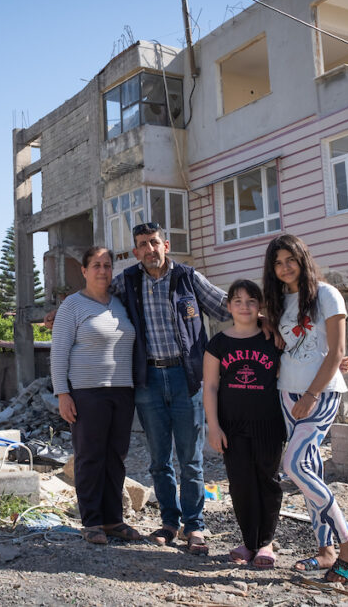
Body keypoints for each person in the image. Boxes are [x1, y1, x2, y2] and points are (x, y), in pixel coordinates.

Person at [114, 222, 230, 555]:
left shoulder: (188, 279)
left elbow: (227, 307)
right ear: (136, 252)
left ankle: (195, 527)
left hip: (187, 379)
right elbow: (95, 295)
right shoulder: (128, 282)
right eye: (142, 245)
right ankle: (169, 522)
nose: (149, 249)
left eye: (154, 242)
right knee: (158, 460)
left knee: (190, 460)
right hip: (148, 381)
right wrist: (60, 313)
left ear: (166, 245)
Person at [262, 233, 348, 584]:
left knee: (293, 465)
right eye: (277, 262)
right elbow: (289, 342)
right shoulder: (278, 301)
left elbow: (336, 352)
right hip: (286, 392)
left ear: (302, 258)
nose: (284, 267)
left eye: (290, 259)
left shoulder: (326, 294)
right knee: (310, 468)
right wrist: (267, 324)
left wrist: (310, 395)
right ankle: (325, 551)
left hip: (319, 394)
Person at [50, 246, 141, 545]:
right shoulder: (72, 306)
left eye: (106, 265)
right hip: (87, 393)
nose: (102, 270)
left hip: (122, 391)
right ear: (84, 271)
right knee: (90, 457)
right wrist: (63, 393)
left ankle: (113, 520)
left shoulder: (120, 304)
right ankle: (91, 522)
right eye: (96, 265)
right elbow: (59, 353)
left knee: (116, 457)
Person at [203, 279, 284, 569]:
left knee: (267, 481)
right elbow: (210, 386)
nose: (245, 306)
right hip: (232, 426)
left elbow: (302, 359)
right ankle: (249, 542)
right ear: (228, 307)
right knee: (240, 484)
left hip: (269, 423)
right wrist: (213, 426)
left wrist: (338, 362)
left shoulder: (273, 339)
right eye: (238, 301)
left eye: (251, 301)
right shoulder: (218, 343)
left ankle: (266, 543)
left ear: (259, 306)